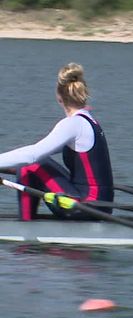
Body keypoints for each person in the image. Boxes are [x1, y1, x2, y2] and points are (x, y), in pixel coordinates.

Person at [0, 62, 114, 220]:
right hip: (101, 205)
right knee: (33, 164)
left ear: (59, 97)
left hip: (85, 206)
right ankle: (27, 224)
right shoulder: (89, 122)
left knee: (31, 165)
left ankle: (25, 226)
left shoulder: (73, 124)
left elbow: (31, 156)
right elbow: (35, 155)